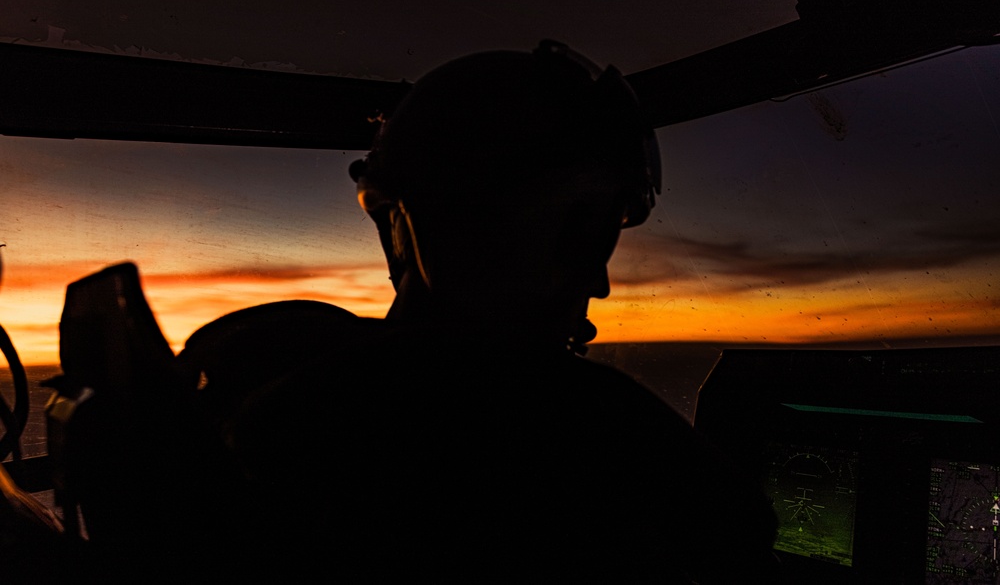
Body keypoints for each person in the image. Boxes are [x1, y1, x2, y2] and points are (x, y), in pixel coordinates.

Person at [43, 40, 782, 583]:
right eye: (576, 223)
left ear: (396, 220)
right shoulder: (652, 472)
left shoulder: (278, 405)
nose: (596, 280)